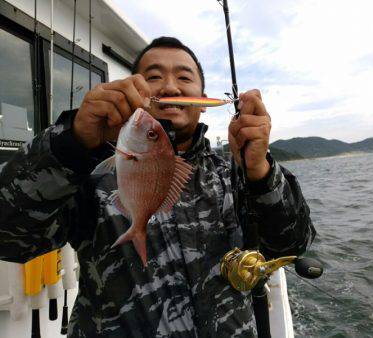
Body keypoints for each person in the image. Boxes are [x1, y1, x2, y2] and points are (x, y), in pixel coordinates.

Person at [0, 37, 315, 337]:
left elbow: (292, 245)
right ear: (135, 91)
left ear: (203, 102)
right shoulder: (88, 173)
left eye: (184, 77)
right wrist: (70, 144)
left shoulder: (234, 173)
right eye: (154, 76)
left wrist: (261, 171)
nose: (169, 86)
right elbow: (8, 239)